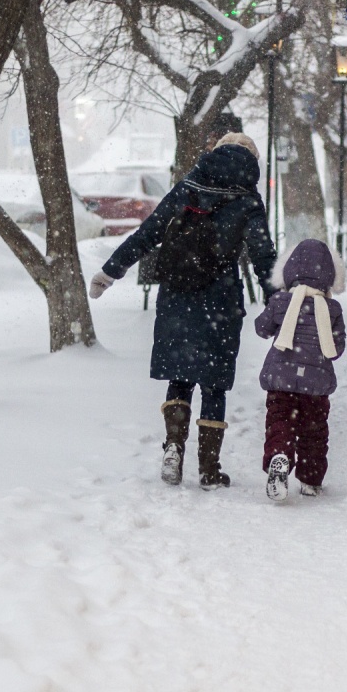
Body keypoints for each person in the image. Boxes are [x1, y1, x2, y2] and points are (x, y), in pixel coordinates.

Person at [91, 134, 277, 489]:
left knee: (180, 376)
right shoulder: (248, 200)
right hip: (221, 301)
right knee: (214, 385)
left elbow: (147, 234)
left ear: (216, 152)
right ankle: (209, 468)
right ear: (251, 160)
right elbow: (263, 257)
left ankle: (173, 448)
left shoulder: (187, 188)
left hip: (177, 295)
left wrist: (110, 271)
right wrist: (278, 303)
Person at [253, 239, 347, 501]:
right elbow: (336, 349)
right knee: (314, 432)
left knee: (279, 423)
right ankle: (310, 479)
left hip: (281, 381)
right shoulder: (332, 309)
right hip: (315, 386)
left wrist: (275, 309)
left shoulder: (280, 301)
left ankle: (279, 456)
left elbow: (261, 329)